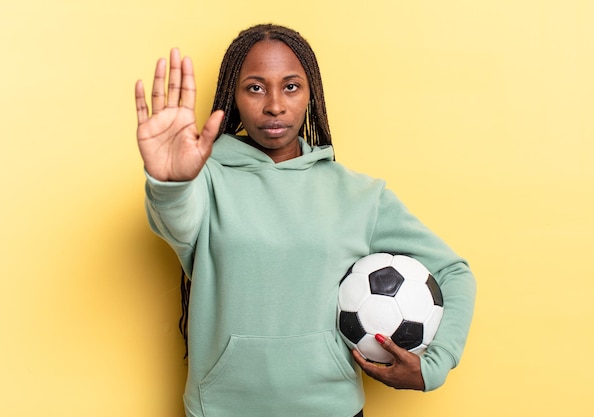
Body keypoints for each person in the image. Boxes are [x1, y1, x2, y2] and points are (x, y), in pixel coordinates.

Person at [135, 23, 476, 417]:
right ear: (235, 95)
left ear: (311, 93)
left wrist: (435, 365)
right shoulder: (205, 180)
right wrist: (170, 182)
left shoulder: (360, 195)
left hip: (330, 408)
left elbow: (454, 271)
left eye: (291, 86)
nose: (275, 105)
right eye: (256, 87)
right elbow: (175, 219)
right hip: (221, 409)